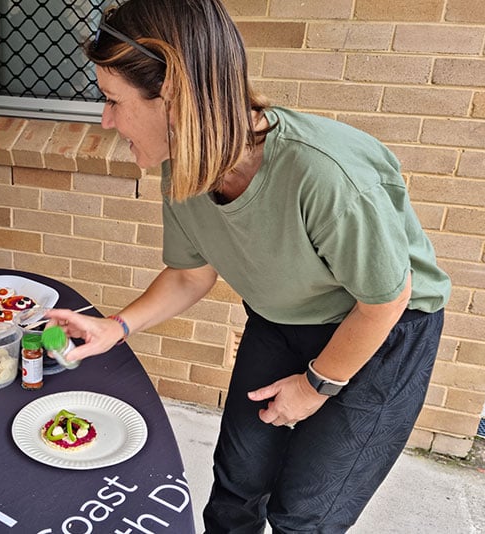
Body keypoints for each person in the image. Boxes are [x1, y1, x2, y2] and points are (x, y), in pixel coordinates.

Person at [44, 1, 452, 532]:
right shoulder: (184, 168)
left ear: (172, 93)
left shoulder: (325, 173)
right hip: (281, 321)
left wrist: (313, 388)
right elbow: (192, 273)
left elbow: (385, 299)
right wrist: (116, 326)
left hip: (383, 332)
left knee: (304, 513)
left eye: (112, 100)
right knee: (236, 485)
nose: (106, 119)